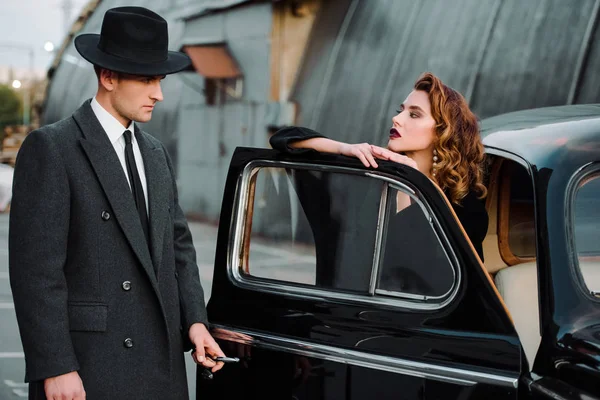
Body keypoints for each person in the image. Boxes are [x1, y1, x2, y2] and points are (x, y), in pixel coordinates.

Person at [9, 7, 225, 400]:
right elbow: (36, 273)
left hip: (160, 365)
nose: (158, 93)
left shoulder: (155, 153)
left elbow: (178, 249)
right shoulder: (53, 148)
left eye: (159, 79)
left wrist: (195, 321)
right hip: (90, 368)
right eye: (146, 80)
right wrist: (56, 365)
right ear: (108, 76)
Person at [270, 72, 489, 261]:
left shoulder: (463, 204)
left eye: (414, 114)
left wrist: (414, 182)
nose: (397, 119)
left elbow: (446, 276)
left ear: (443, 131)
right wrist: (343, 149)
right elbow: (284, 139)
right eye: (400, 110)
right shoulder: (372, 177)